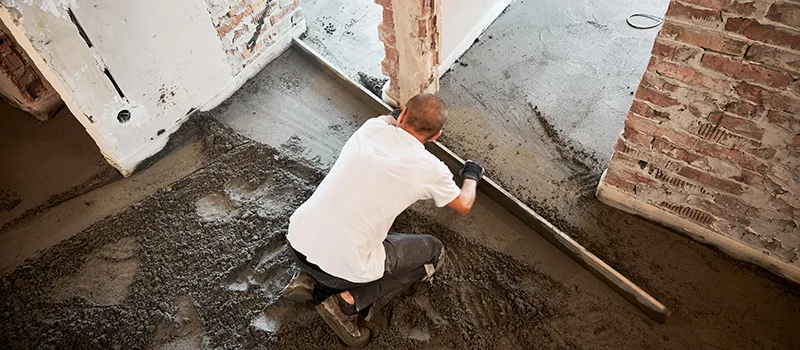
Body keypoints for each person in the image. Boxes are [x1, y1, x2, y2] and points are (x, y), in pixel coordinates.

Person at [281, 93, 484, 346]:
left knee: (347, 223)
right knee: (432, 251)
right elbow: (463, 204)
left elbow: (392, 117)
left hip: (294, 243)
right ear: (436, 137)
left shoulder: (372, 128)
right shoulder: (432, 169)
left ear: (405, 114)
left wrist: (407, 106)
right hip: (342, 271)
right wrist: (472, 176)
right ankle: (346, 305)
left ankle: (307, 281)